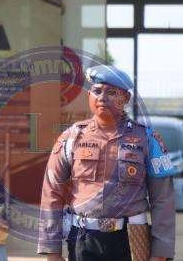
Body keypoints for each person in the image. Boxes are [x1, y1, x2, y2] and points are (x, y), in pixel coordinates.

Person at [37, 64, 175, 261]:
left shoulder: (147, 139)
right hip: (83, 239)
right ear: (89, 95)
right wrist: (52, 250)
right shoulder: (70, 138)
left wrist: (160, 253)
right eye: (97, 91)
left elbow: (163, 199)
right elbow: (52, 192)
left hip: (132, 241)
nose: (102, 97)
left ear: (126, 98)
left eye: (111, 92)